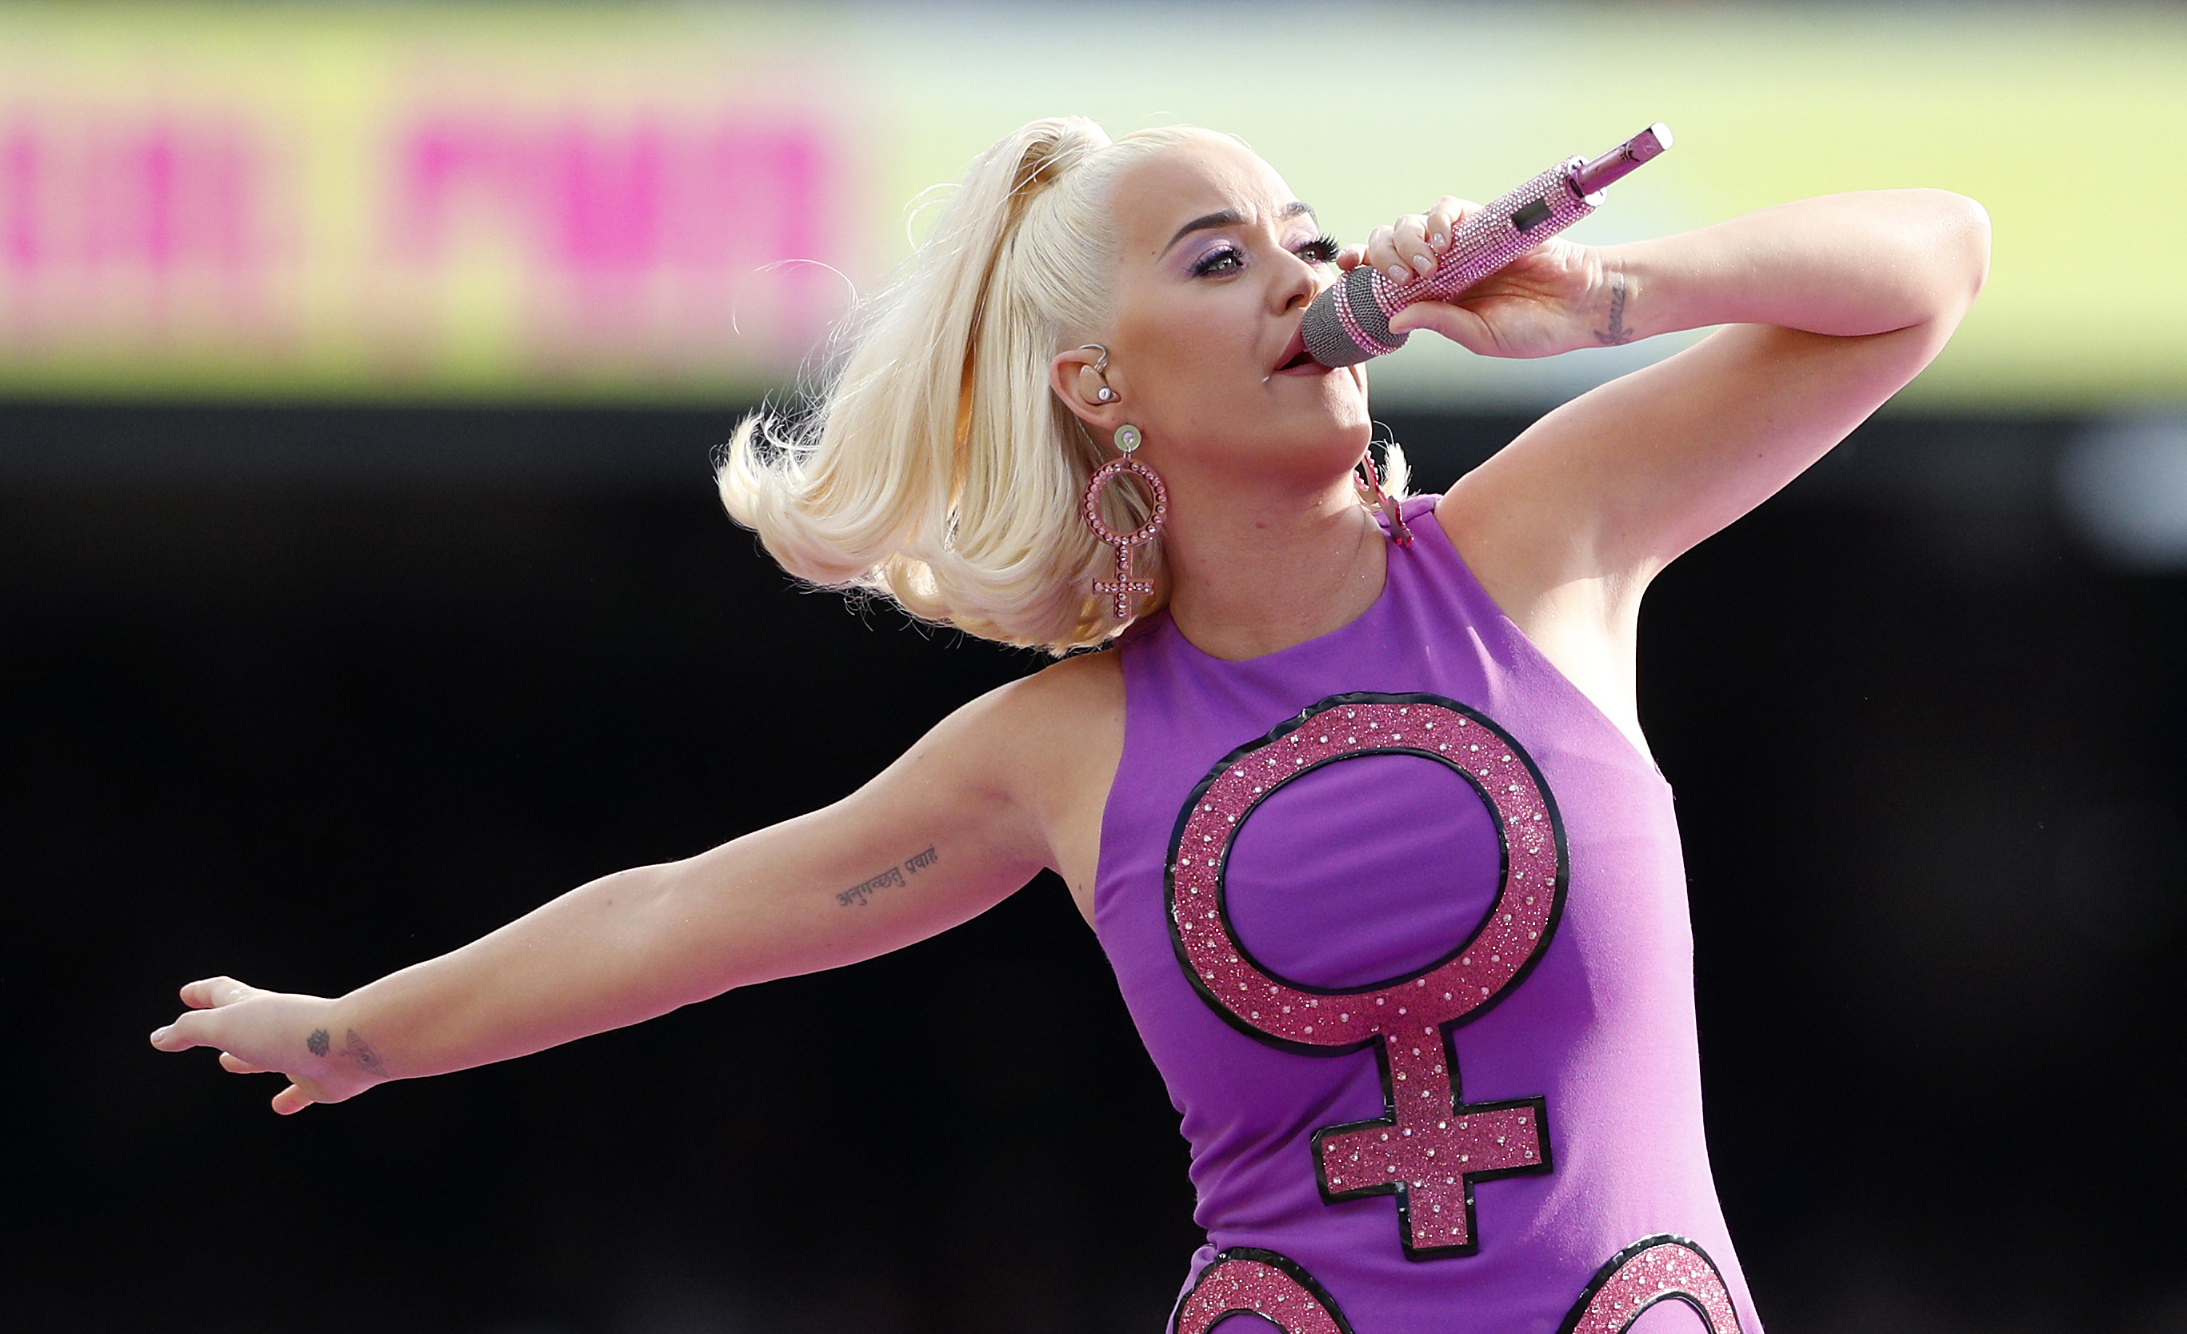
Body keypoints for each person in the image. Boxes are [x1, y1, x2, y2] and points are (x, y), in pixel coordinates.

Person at [150, 117, 1989, 1333]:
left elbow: (1935, 263)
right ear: (1096, 384)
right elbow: (682, 919)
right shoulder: (1061, 749)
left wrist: (1604, 295)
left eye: (1306, 239)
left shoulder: (1541, 544)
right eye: (1215, 258)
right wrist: (362, 1031)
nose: (1298, 277)